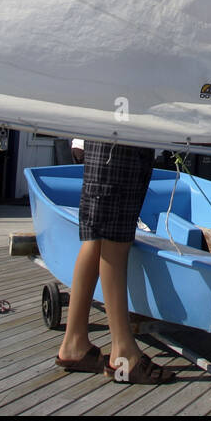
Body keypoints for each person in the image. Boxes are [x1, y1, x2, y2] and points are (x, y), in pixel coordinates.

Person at [55, 139, 176, 384]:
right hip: (117, 140)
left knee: (97, 238)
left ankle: (75, 343)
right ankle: (123, 352)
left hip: (120, 136)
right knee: (113, 240)